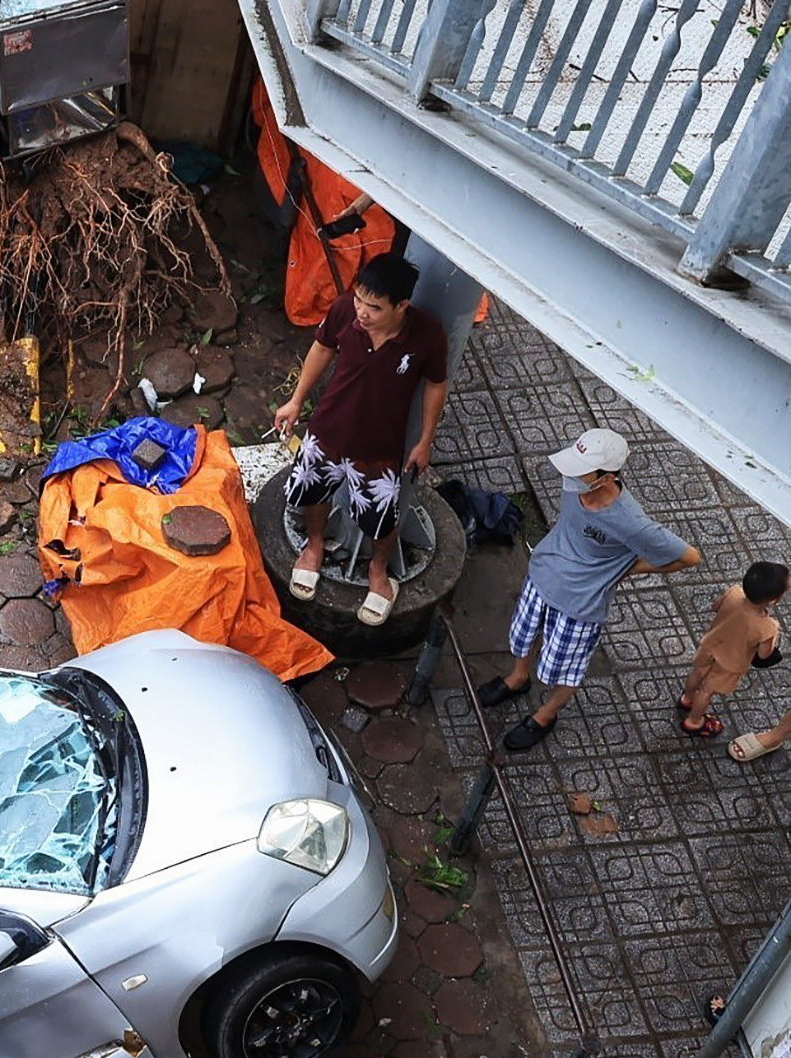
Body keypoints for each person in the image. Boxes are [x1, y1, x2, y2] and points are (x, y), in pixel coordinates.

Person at [475, 428, 701, 751]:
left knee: (565, 668)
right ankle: (518, 678)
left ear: (606, 477)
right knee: (524, 635)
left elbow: (689, 557)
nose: (571, 475)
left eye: (581, 470)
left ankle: (545, 715)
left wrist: (624, 569)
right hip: (543, 575)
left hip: (580, 605)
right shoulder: (574, 483)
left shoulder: (633, 523)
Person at [271, 251, 450, 627]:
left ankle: (378, 571)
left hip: (381, 447)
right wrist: (296, 400)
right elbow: (322, 348)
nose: (362, 312)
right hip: (328, 430)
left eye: (374, 307)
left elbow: (436, 384)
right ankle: (314, 546)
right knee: (313, 493)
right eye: (358, 300)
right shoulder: (342, 312)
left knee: (382, 518)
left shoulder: (428, 335)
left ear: (401, 306)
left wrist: (425, 440)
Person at [676, 561, 786, 740]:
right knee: (706, 691)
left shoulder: (734, 592)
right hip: (729, 663)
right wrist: (774, 636)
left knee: (696, 673)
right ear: (774, 600)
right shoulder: (767, 627)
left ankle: (687, 698)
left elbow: (715, 606)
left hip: (709, 646)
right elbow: (764, 655)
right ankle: (694, 721)